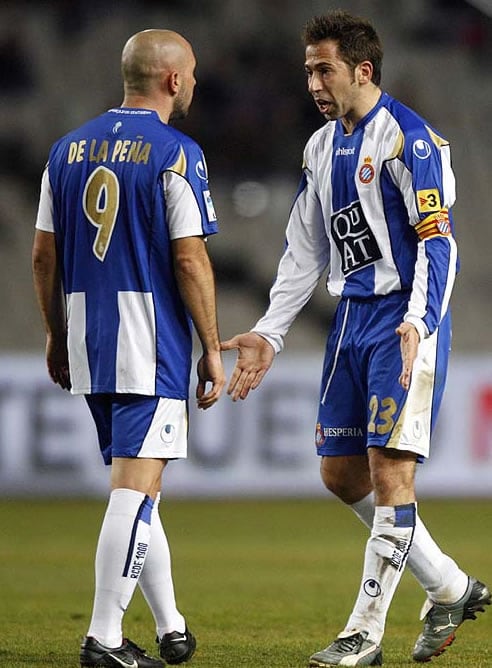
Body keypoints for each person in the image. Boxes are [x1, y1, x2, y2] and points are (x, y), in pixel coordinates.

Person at [221, 10, 490, 667]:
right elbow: (302, 251)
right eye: (308, 68)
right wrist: (269, 333)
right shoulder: (321, 147)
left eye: (324, 68)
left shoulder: (409, 141)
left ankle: (364, 634)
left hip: (403, 319)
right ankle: (451, 587)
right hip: (351, 320)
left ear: (362, 71)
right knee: (341, 475)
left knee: (391, 476)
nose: (312, 80)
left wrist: (420, 321)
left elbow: (439, 243)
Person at [32, 29, 225, 668]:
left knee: (140, 486)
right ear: (172, 80)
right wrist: (212, 348)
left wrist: (57, 333)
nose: (194, 83)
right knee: (136, 492)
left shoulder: (65, 150)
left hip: (90, 335)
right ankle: (103, 640)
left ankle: (171, 626)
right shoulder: (176, 152)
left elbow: (43, 254)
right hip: (150, 341)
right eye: (191, 73)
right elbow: (191, 258)